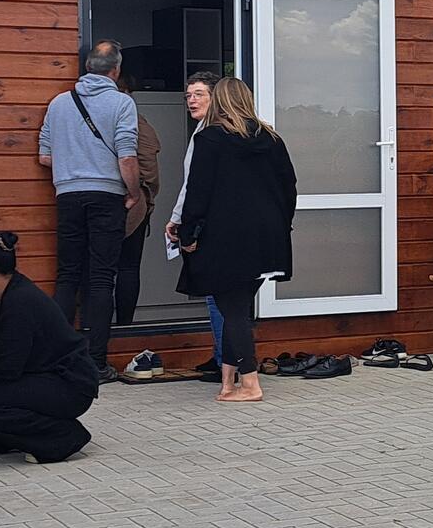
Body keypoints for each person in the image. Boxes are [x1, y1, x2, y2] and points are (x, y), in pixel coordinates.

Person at [175, 78, 297, 403]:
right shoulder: (272, 139)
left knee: (233, 309)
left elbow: (197, 193)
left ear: (218, 101)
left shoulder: (210, 139)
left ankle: (251, 384)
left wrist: (187, 235)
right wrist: (282, 225)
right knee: (237, 308)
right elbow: (290, 187)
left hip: (225, 239)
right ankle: (228, 381)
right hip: (268, 238)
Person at [38, 42, 141, 382]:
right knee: (101, 278)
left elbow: (45, 156)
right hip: (106, 196)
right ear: (116, 70)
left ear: (86, 66)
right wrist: (134, 192)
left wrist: (74, 160)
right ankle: (96, 362)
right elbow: (127, 157)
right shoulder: (122, 103)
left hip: (67, 195)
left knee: (67, 274)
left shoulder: (59, 103)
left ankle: (56, 359)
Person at [0, 231, 100, 464]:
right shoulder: (7, 294)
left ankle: (62, 437)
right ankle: (3, 441)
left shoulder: (20, 302)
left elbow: (8, 366)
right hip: (48, 376)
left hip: (70, 385)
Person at [95, 41, 160, 327]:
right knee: (128, 267)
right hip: (131, 201)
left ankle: (99, 327)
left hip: (97, 199)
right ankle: (125, 327)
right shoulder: (134, 117)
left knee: (100, 270)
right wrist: (145, 194)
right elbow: (147, 159)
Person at [167, 72, 225, 376]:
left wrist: (179, 219)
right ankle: (222, 354)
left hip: (213, 226)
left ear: (216, 97)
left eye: (199, 94)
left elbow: (195, 185)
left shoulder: (209, 135)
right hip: (218, 223)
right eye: (189, 95)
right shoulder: (205, 130)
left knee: (218, 293)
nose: (192, 100)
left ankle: (225, 359)